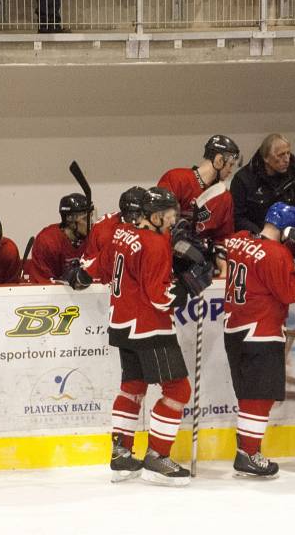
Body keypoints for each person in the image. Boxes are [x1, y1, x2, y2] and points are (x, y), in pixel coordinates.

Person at [76, 187, 205, 486]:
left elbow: (100, 268)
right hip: (150, 328)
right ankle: (157, 457)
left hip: (121, 324)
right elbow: (160, 298)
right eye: (170, 215)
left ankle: (121, 454)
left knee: (132, 388)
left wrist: (80, 273)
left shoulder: (121, 233)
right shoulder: (156, 244)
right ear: (155, 216)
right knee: (178, 391)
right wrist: (186, 287)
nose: (173, 220)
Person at [223, 202, 295, 477]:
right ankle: (249, 453)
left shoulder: (239, 240)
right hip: (261, 331)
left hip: (233, 330)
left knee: (248, 394)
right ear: (288, 230)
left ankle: (246, 447)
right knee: (260, 396)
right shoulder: (276, 254)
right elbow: (292, 292)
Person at [158, 135, 241, 275]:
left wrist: (224, 269)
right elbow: (158, 222)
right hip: (167, 258)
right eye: (230, 165)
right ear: (219, 161)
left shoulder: (224, 197)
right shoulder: (176, 178)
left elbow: (222, 240)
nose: (231, 170)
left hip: (200, 266)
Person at [231, 133, 295, 234]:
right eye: (281, 155)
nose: (287, 159)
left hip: (290, 236)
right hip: (256, 237)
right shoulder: (243, 179)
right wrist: (262, 235)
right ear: (266, 158)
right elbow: (237, 218)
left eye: (288, 153)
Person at [25, 193, 93, 284]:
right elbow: (43, 285)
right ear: (69, 219)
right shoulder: (47, 241)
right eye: (85, 219)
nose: (91, 223)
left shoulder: (93, 238)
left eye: (91, 217)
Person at [82, 186, 146, 277]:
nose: (134, 219)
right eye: (130, 213)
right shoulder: (103, 226)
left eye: (138, 214)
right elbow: (87, 261)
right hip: (105, 285)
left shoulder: (152, 229)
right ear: (123, 210)